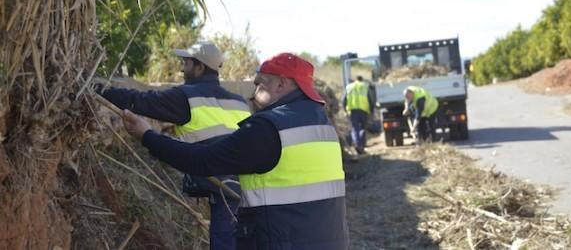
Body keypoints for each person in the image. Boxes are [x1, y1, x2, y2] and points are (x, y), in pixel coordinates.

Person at [120, 53, 349, 249]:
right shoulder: (322, 124)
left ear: (281, 84)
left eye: (260, 84)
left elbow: (201, 161)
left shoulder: (269, 128)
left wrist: (147, 136)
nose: (254, 92)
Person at [96, 42, 251, 250]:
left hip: (225, 192)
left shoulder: (187, 97)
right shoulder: (240, 102)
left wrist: (97, 89)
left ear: (200, 67)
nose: (181, 68)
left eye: (186, 63)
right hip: (250, 188)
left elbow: (139, 101)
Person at [343, 75, 374, 154]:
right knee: (363, 128)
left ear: (355, 80)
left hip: (352, 111)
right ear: (362, 80)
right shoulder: (365, 86)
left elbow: (343, 100)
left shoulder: (349, 87)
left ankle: (357, 144)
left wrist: (345, 110)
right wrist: (371, 111)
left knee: (355, 128)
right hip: (364, 110)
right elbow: (371, 99)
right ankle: (362, 146)